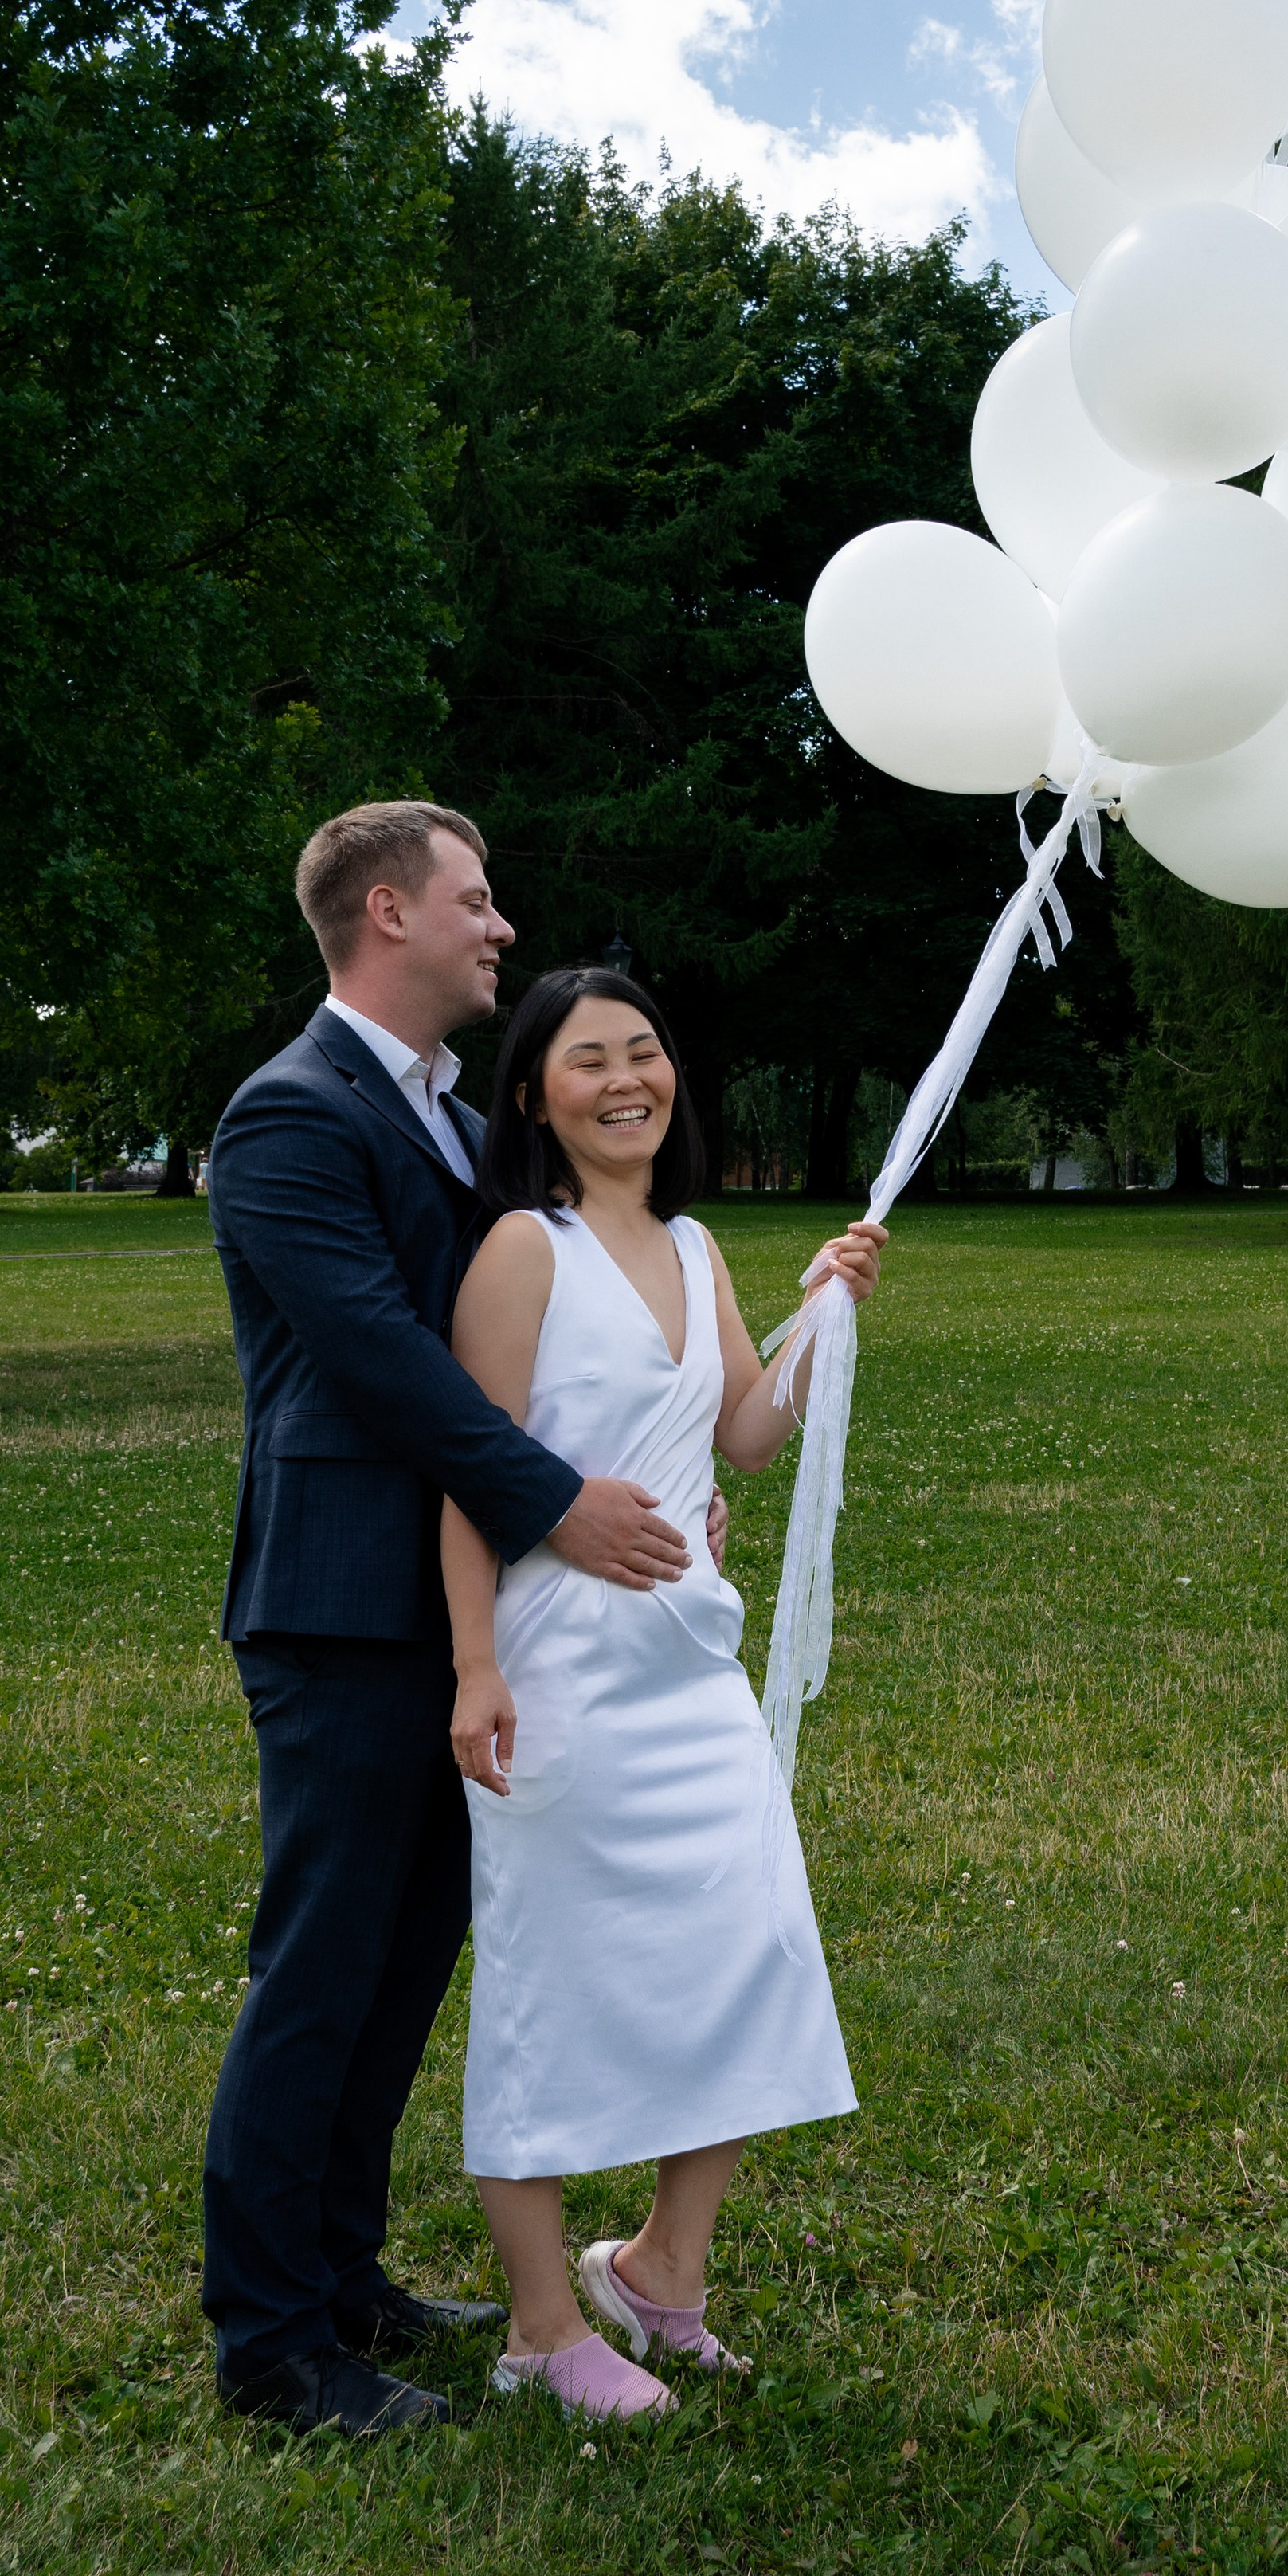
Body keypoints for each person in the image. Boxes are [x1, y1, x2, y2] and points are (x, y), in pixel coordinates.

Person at [201, 805, 722, 2437]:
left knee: (403, 1966)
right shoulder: (289, 1118)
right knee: (321, 1970)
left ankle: (342, 2273)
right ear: (384, 913)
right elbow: (386, 1367)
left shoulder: (433, 1114)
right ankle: (275, 2347)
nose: (499, 927)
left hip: (457, 1613)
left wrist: (656, 1469)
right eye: (474, 901)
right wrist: (558, 1506)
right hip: (344, 1611)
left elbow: (533, 1342)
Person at [442, 966, 887, 2419]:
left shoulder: (697, 1245)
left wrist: (823, 1308)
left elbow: (746, 1438)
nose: (627, 1078)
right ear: (533, 1095)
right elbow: (469, 1469)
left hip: (695, 1666)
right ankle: (540, 2324)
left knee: (750, 1947)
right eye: (588, 1060)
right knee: (549, 1987)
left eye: (646, 1053)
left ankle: (663, 2270)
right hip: (561, 1666)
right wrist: (476, 1665)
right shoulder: (522, 1248)